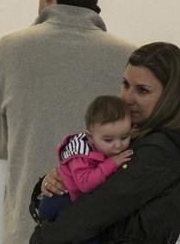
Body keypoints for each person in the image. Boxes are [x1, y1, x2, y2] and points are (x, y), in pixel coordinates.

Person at [0, 0, 136, 244]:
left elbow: (2, 145)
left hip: (32, 225)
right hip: (105, 227)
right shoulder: (129, 55)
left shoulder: (10, 48)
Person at [30, 42, 180, 244]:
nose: (127, 98)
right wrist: (51, 182)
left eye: (142, 91)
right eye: (125, 84)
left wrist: (40, 238)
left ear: (171, 97)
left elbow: (92, 211)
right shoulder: (134, 141)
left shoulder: (158, 153)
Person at [37, 95, 134, 231]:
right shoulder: (80, 156)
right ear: (90, 137)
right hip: (59, 200)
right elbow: (85, 184)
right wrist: (112, 163)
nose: (118, 145)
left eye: (124, 137)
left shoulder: (109, 148)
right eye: (108, 140)